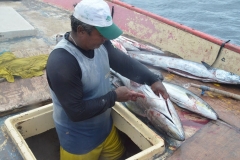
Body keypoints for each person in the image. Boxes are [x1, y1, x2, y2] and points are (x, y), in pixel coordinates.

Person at [46, 0, 169, 159]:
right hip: (78, 142)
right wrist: (115, 96)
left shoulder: (101, 44)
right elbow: (76, 112)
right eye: (101, 34)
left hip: (105, 129)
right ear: (81, 30)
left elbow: (123, 63)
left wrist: (152, 79)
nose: (105, 39)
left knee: (120, 155)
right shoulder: (62, 62)